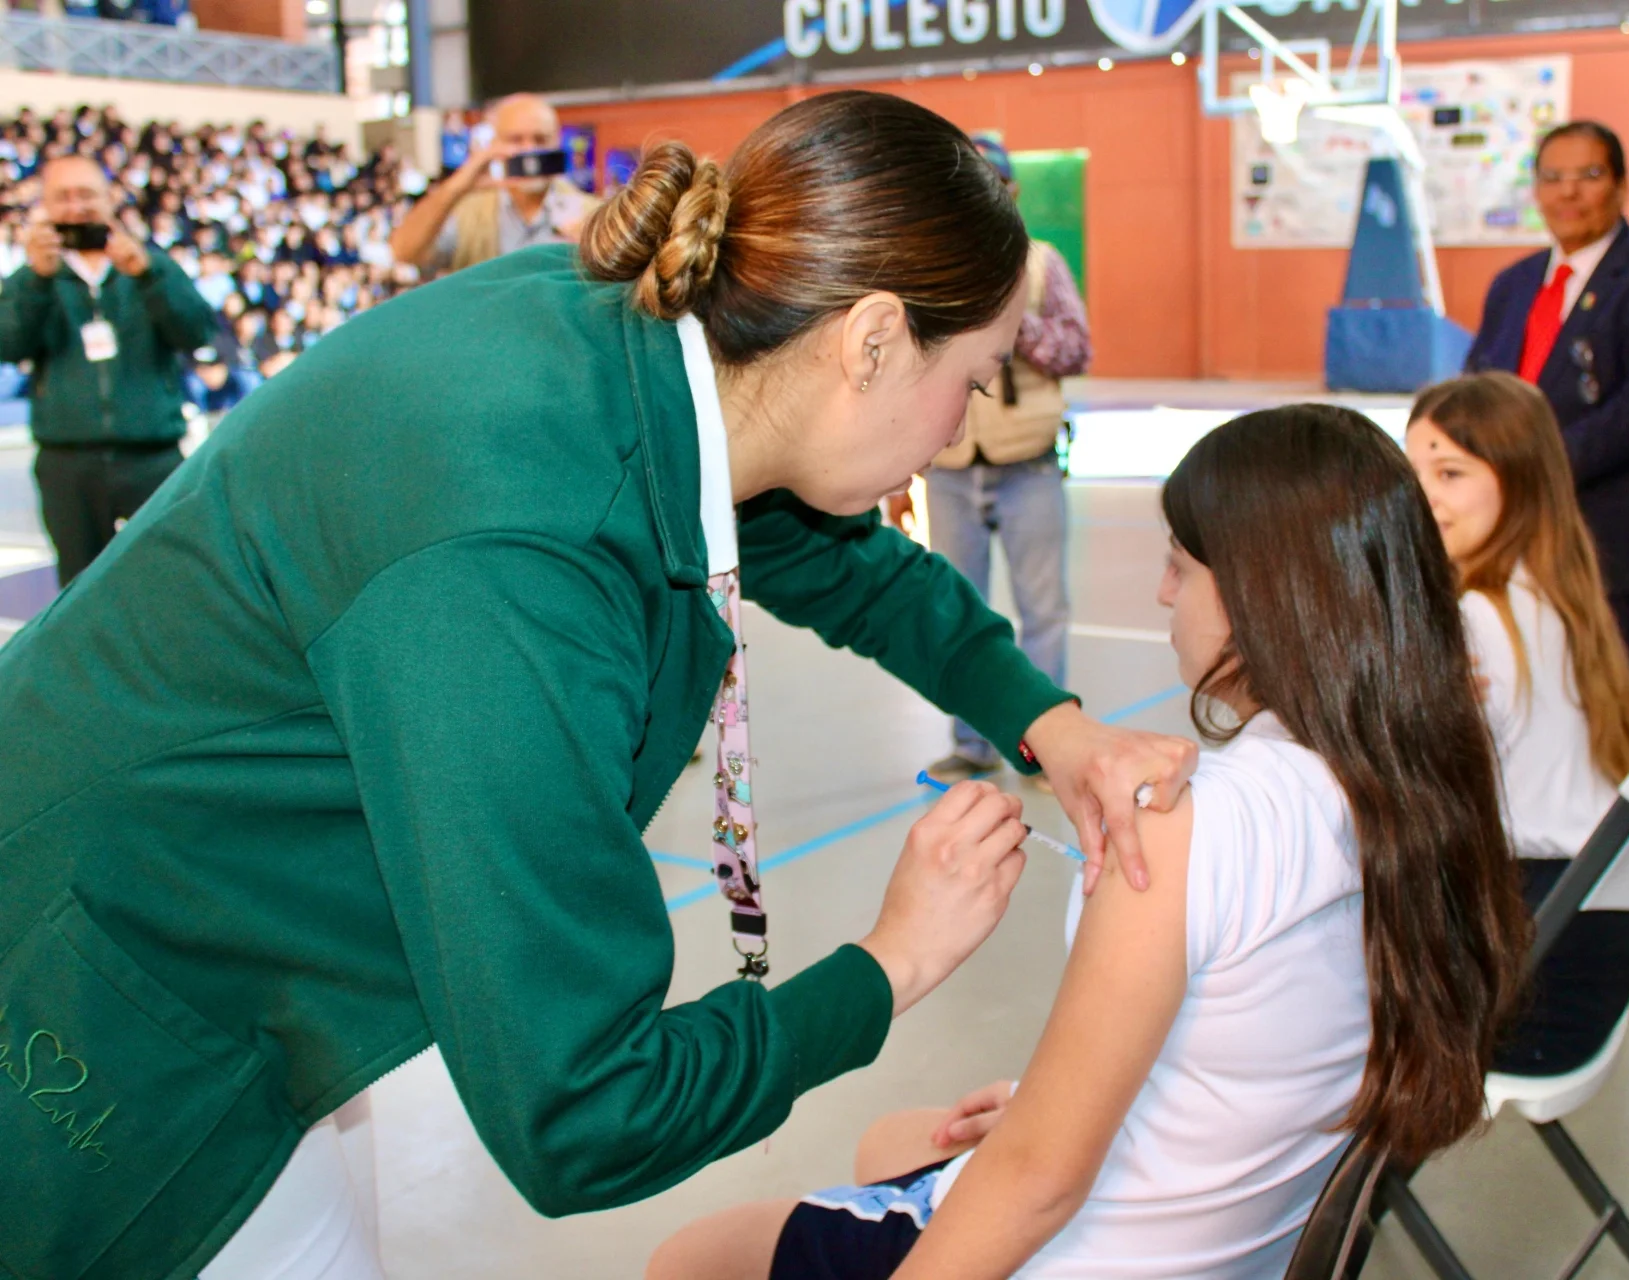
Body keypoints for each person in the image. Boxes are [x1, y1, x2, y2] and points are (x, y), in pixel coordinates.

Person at [0, 91, 1197, 1278]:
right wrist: (891, 964)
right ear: (872, 338)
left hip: (223, 937)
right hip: (105, 1007)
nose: (955, 430)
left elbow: (843, 564)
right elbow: (581, 1106)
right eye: (975, 379)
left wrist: (1052, 722)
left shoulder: (631, 347)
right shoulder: (520, 558)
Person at [652, 406, 1531, 1280]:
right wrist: (1052, 1111)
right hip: (1237, 1236)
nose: (1159, 592)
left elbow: (1039, 1184)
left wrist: (1039, 1130)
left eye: (1178, 568)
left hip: (1094, 1253)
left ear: (1261, 598)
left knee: (691, 1259)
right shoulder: (1419, 781)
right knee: (895, 1138)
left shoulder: (1184, 825)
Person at [1408, 372, 1629, 1074]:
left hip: (1529, 977)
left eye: (1449, 472)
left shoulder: (1479, 622)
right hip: (1585, 950)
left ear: (1516, 480)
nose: (1422, 494)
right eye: (1413, 470)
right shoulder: (1556, 594)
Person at [1467, 121, 1629, 737]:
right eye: (1552, 177)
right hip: (1510, 541)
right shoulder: (1513, 284)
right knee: (1526, 699)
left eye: (1588, 176)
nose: (1568, 192)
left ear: (1621, 187)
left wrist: (1526, 471)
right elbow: (1478, 394)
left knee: (1621, 702)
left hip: (1611, 542)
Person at [913, 134, 1091, 787]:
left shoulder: (1042, 266)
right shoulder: (927, 271)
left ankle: (1039, 744)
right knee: (960, 609)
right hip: (952, 466)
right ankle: (973, 742)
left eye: (996, 186)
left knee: (1043, 609)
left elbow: (1078, 349)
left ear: (1011, 194)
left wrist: (1015, 320)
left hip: (1029, 463)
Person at [0, 153, 216, 584]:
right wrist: (36, 282)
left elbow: (197, 332)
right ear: (44, 203)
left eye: (86, 194)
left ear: (109, 199)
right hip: (68, 461)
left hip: (152, 457)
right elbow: (9, 344)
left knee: (173, 581)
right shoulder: (32, 277)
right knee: (81, 592)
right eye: (63, 196)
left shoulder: (148, 264)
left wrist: (147, 275)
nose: (76, 206)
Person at [389, 94, 594, 276]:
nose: (529, 150)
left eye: (540, 139)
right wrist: (457, 186)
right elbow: (404, 252)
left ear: (556, 143)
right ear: (495, 143)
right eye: (515, 140)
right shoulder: (468, 215)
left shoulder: (591, 214)